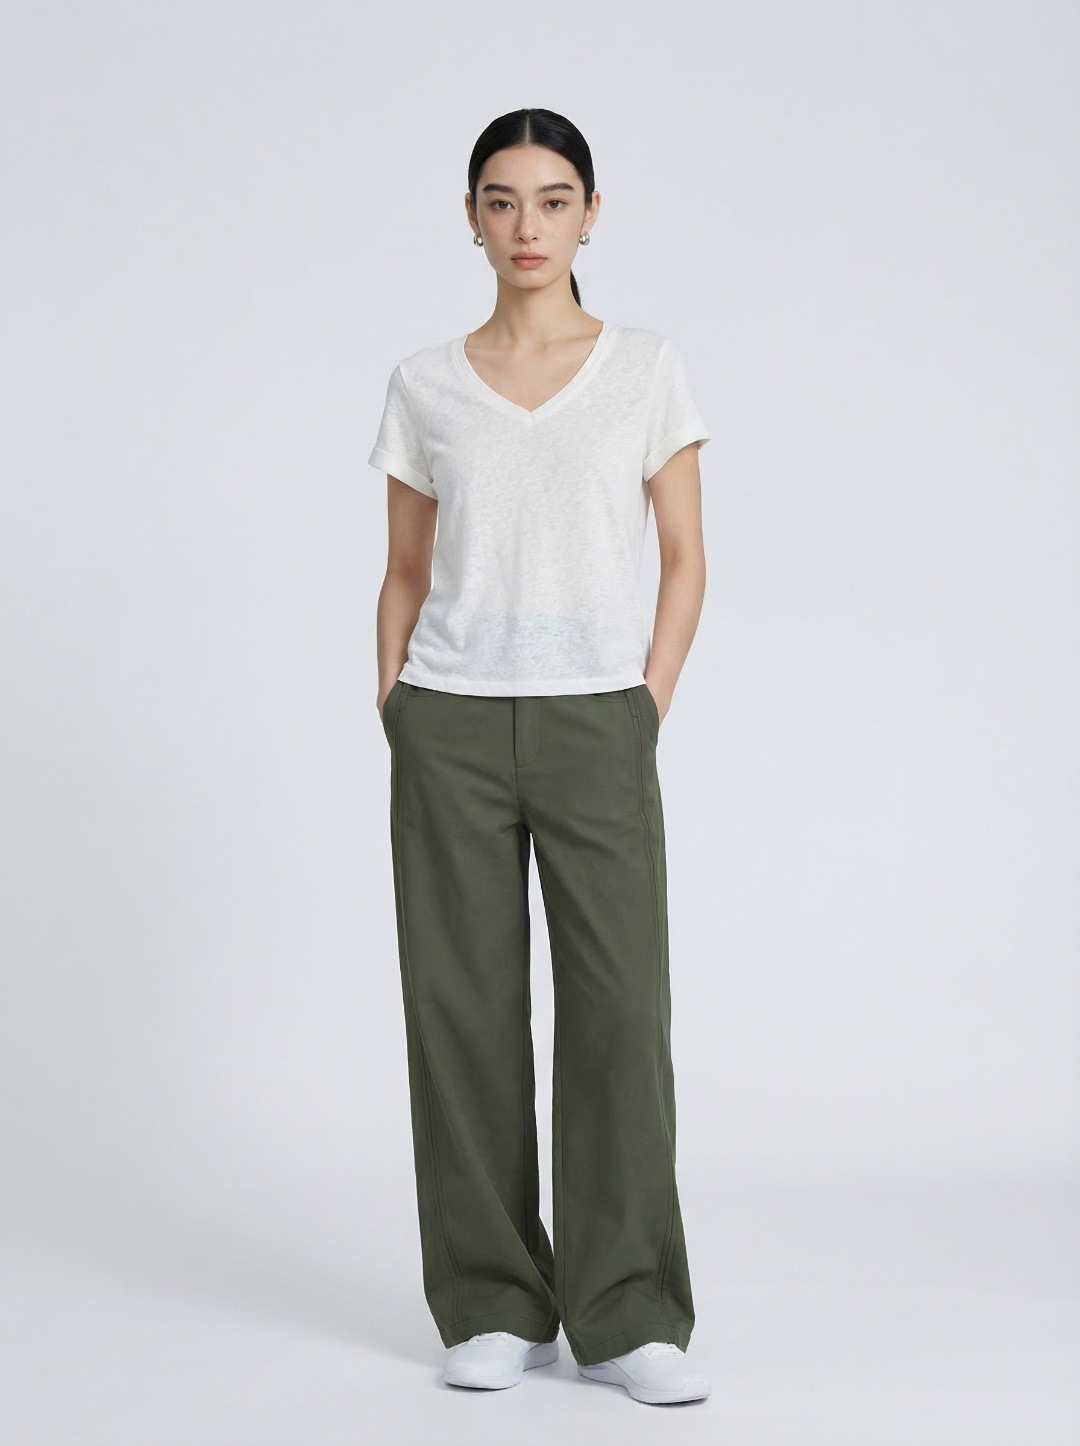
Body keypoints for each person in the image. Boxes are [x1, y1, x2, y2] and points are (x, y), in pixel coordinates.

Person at [368, 108, 712, 1407]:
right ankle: (493, 1298)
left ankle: (628, 1309)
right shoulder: (425, 383)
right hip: (450, 720)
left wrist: (643, 703)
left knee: (620, 1011)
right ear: (471, 218)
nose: (528, 225)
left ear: (590, 214)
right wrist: (399, 704)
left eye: (553, 199)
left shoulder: (644, 369)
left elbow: (685, 558)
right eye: (502, 201)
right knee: (460, 1012)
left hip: (596, 719)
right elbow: (404, 569)